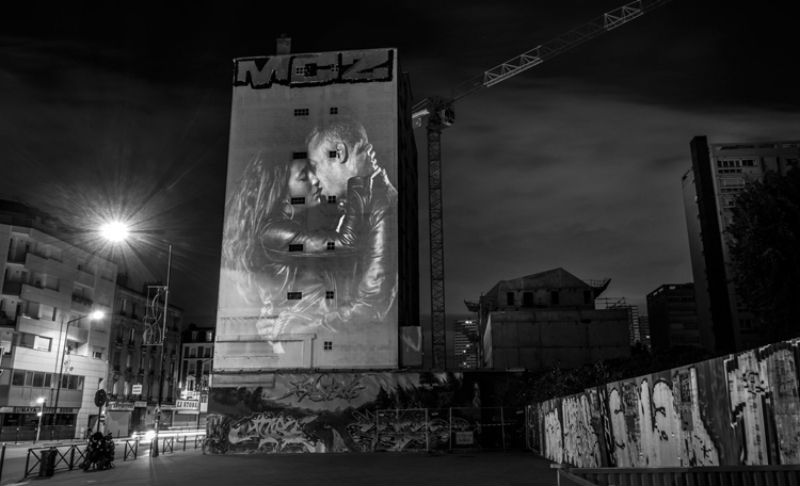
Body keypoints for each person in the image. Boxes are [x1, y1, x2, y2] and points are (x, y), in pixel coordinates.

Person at [271, 118, 398, 333]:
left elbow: (369, 308)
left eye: (315, 166)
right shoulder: (357, 203)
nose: (315, 178)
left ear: (339, 153)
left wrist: (298, 328)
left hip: (349, 355)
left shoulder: (381, 203)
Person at [221, 156, 339, 345]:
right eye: (303, 177)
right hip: (297, 341)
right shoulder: (274, 233)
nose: (315, 179)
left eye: (312, 172)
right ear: (282, 193)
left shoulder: (286, 228)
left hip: (297, 338)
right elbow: (342, 244)